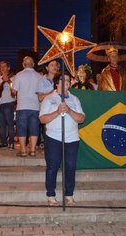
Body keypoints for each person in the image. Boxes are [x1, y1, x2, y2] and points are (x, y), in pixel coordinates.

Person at [39, 72, 85, 206]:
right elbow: (42, 119)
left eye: (68, 81)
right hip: (53, 138)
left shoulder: (75, 99)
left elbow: (81, 119)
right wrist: (57, 112)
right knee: (52, 167)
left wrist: (69, 111)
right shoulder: (49, 99)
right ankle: (51, 195)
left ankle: (69, 195)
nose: (66, 83)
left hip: (72, 138)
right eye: (63, 81)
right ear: (57, 84)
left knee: (70, 167)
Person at [12, 56, 42, 157]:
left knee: (22, 128)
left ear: (23, 65)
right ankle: (32, 150)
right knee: (34, 128)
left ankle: (23, 151)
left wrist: (12, 91)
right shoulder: (39, 76)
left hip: (22, 106)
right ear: (33, 64)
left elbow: (14, 91)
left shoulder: (19, 75)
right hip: (35, 106)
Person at [0, 61, 16, 149]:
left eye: (4, 66)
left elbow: (14, 92)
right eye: (1, 67)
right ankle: (3, 142)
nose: (2, 68)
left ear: (8, 68)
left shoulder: (14, 78)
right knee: (2, 125)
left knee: (10, 124)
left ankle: (11, 143)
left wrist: (8, 80)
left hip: (9, 103)